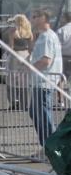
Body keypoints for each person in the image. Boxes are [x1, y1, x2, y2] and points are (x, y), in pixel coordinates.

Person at [27, 10, 63, 147]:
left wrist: (27, 68)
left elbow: (45, 60)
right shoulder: (46, 36)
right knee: (36, 112)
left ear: (43, 19)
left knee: (42, 114)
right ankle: (47, 145)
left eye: (34, 17)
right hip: (43, 81)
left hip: (44, 81)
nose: (32, 20)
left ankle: (51, 147)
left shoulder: (47, 37)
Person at [5, 14, 34, 109]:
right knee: (24, 81)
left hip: (15, 55)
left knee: (11, 80)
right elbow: (31, 48)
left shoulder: (13, 31)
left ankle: (13, 101)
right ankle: (24, 103)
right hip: (26, 56)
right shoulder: (29, 32)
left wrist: (6, 55)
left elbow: (11, 47)